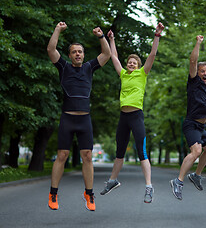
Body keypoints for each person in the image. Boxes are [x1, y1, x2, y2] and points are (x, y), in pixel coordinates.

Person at [47, 21, 111, 211]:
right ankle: (53, 193)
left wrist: (101, 36)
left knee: (88, 156)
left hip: (84, 120)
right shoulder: (64, 67)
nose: (77, 54)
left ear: (83, 55)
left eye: (80, 52)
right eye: (74, 52)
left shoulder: (90, 67)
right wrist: (58, 29)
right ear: (69, 55)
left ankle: (89, 194)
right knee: (62, 155)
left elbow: (107, 54)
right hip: (68, 118)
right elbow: (51, 49)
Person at [100, 22, 165, 203]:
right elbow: (113, 56)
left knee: (142, 152)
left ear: (138, 65)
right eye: (129, 61)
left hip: (136, 116)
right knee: (119, 151)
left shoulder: (142, 73)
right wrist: (111, 39)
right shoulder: (122, 74)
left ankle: (149, 186)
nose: (130, 63)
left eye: (134, 62)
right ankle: (112, 181)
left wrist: (157, 35)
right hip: (123, 117)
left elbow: (152, 54)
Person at [170, 35, 206, 200]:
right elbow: (193, 61)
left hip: (201, 127)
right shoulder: (194, 81)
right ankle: (178, 181)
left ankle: (196, 176)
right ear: (196, 72)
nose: (205, 73)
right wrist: (198, 43)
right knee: (196, 151)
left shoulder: (205, 83)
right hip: (191, 124)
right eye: (202, 71)